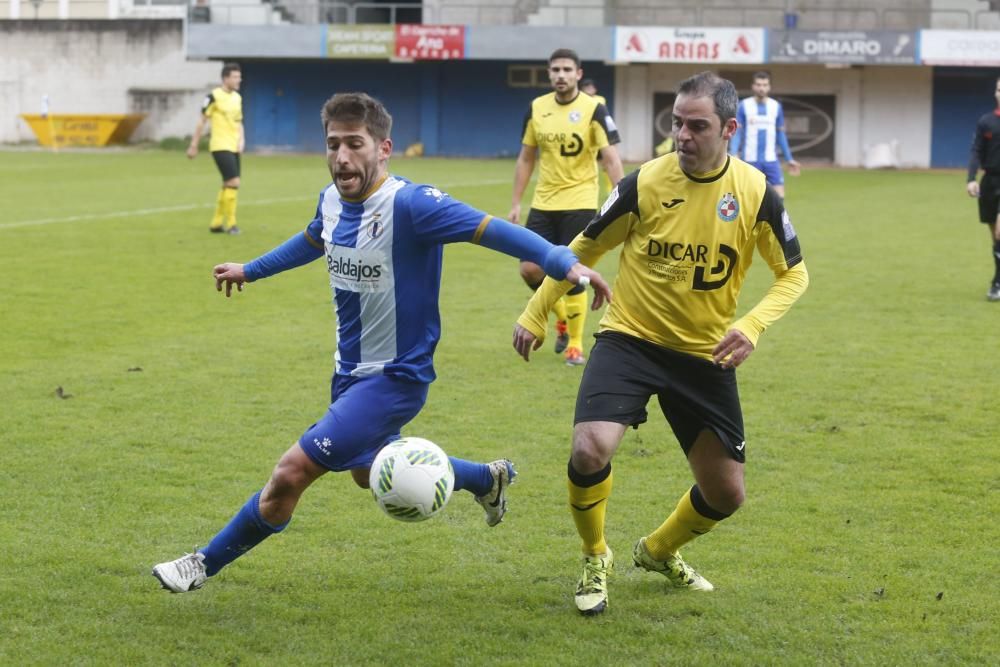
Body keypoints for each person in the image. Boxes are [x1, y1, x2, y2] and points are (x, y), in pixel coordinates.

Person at [152, 92, 611, 594]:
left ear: (383, 147)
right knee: (369, 470)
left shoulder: (412, 205)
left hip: (396, 378)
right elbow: (313, 239)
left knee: (289, 474)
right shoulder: (330, 200)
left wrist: (563, 263)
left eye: (355, 143)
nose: (342, 157)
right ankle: (486, 478)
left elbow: (494, 230)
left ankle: (200, 564)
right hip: (349, 374)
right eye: (333, 144)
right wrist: (250, 270)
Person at [513, 71, 809, 615]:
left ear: (729, 129)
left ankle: (656, 551)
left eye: (697, 126)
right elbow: (583, 247)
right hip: (631, 339)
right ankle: (593, 555)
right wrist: (536, 311)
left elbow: (794, 274)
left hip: (704, 355)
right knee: (588, 447)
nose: (683, 135)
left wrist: (751, 326)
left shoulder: (754, 193)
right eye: (677, 123)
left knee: (726, 495)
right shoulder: (645, 182)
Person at [510, 48, 625, 366]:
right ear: (549, 74)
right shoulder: (537, 108)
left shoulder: (594, 109)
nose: (560, 75)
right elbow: (526, 157)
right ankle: (560, 320)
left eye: (566, 69)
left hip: (581, 202)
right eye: (555, 69)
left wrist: (623, 198)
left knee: (571, 274)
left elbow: (611, 157)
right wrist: (516, 202)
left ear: (577, 73)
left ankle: (575, 344)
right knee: (530, 269)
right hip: (544, 203)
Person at [187, 62, 245, 235]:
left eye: (239, 76)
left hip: (234, 145)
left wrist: (242, 140)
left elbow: (238, 121)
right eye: (235, 77)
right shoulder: (213, 96)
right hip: (220, 145)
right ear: (225, 78)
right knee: (234, 182)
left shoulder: (237, 98)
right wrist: (194, 144)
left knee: (228, 183)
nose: (239, 80)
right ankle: (232, 224)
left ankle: (216, 223)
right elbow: (201, 121)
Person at [729, 71, 800, 198]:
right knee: (749, 197)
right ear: (753, 86)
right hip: (750, 160)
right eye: (758, 84)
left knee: (779, 197)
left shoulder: (776, 106)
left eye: (765, 85)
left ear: (769, 87)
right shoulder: (743, 106)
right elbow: (737, 132)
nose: (761, 88)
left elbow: (780, 135)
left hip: (771, 160)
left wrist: (789, 158)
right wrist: (734, 152)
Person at [965, 75, 1000, 302]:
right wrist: (971, 178)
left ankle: (996, 284)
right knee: (995, 238)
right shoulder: (986, 121)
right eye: (999, 89)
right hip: (989, 182)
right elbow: (976, 150)